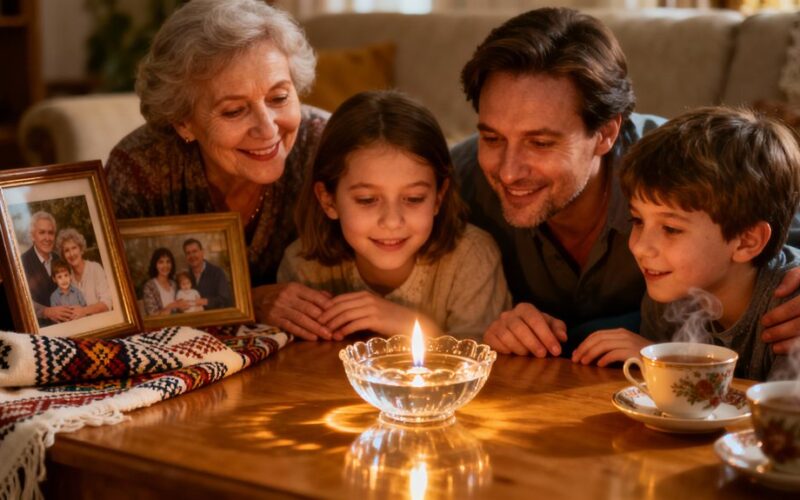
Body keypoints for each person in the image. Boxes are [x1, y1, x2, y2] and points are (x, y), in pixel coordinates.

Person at [450, 7, 800, 358]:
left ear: (605, 133)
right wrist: (490, 328)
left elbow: (776, 212)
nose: (509, 172)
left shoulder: (680, 172)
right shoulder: (457, 180)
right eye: (492, 139)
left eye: (540, 143)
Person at [104, 0, 334, 337]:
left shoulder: (326, 147)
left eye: (279, 97)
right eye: (234, 111)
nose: (268, 129)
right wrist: (247, 303)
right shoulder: (140, 167)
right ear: (184, 122)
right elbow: (115, 306)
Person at [572, 107, 800, 380]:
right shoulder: (670, 295)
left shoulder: (789, 310)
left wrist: (666, 364)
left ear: (746, 241)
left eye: (670, 228)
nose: (641, 247)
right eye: (637, 221)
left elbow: (783, 415)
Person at [278, 90, 511, 340]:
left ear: (438, 198)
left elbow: (484, 366)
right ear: (328, 200)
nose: (391, 221)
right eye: (367, 200)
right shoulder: (304, 267)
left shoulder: (471, 259)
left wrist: (410, 325)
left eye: (413, 199)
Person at [21, 211, 73, 325]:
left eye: (51, 233)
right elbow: (20, 300)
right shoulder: (22, 262)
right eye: (42, 232)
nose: (47, 238)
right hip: (39, 328)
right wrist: (46, 312)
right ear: (32, 236)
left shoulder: (59, 259)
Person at [56, 228, 113, 318]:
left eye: (74, 248)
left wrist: (84, 311)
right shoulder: (66, 278)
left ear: (81, 249)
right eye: (67, 250)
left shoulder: (95, 268)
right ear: (63, 256)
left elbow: (107, 303)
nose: (71, 254)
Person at [183, 238, 233, 310]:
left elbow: (226, 301)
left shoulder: (217, 273)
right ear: (185, 257)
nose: (192, 256)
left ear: (202, 252)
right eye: (188, 253)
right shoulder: (185, 276)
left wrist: (206, 301)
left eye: (194, 251)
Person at [141, 247, 182, 316]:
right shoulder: (149, 286)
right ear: (155, 265)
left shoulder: (174, 284)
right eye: (161, 262)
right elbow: (152, 314)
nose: (165, 265)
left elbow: (180, 309)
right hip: (160, 326)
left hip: (179, 324)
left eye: (168, 261)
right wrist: (171, 306)